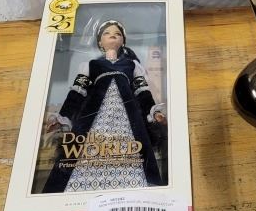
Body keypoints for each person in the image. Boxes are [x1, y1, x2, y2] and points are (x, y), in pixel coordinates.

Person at [41, 20, 166, 193]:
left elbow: (142, 92)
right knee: (86, 149)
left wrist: (154, 112)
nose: (112, 35)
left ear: (123, 41)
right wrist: (63, 116)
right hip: (94, 117)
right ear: (100, 42)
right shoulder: (91, 65)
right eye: (107, 33)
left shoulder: (132, 66)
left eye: (117, 34)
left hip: (127, 118)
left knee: (131, 150)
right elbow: (77, 92)